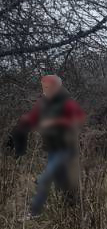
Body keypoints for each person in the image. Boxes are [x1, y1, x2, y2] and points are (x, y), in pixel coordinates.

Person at [8, 74, 86, 218]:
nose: (45, 90)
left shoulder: (67, 103)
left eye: (49, 87)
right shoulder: (42, 103)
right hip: (51, 148)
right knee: (63, 182)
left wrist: (57, 123)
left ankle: (35, 212)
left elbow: (79, 119)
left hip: (66, 148)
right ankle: (71, 211)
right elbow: (32, 118)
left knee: (45, 179)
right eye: (44, 87)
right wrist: (21, 126)